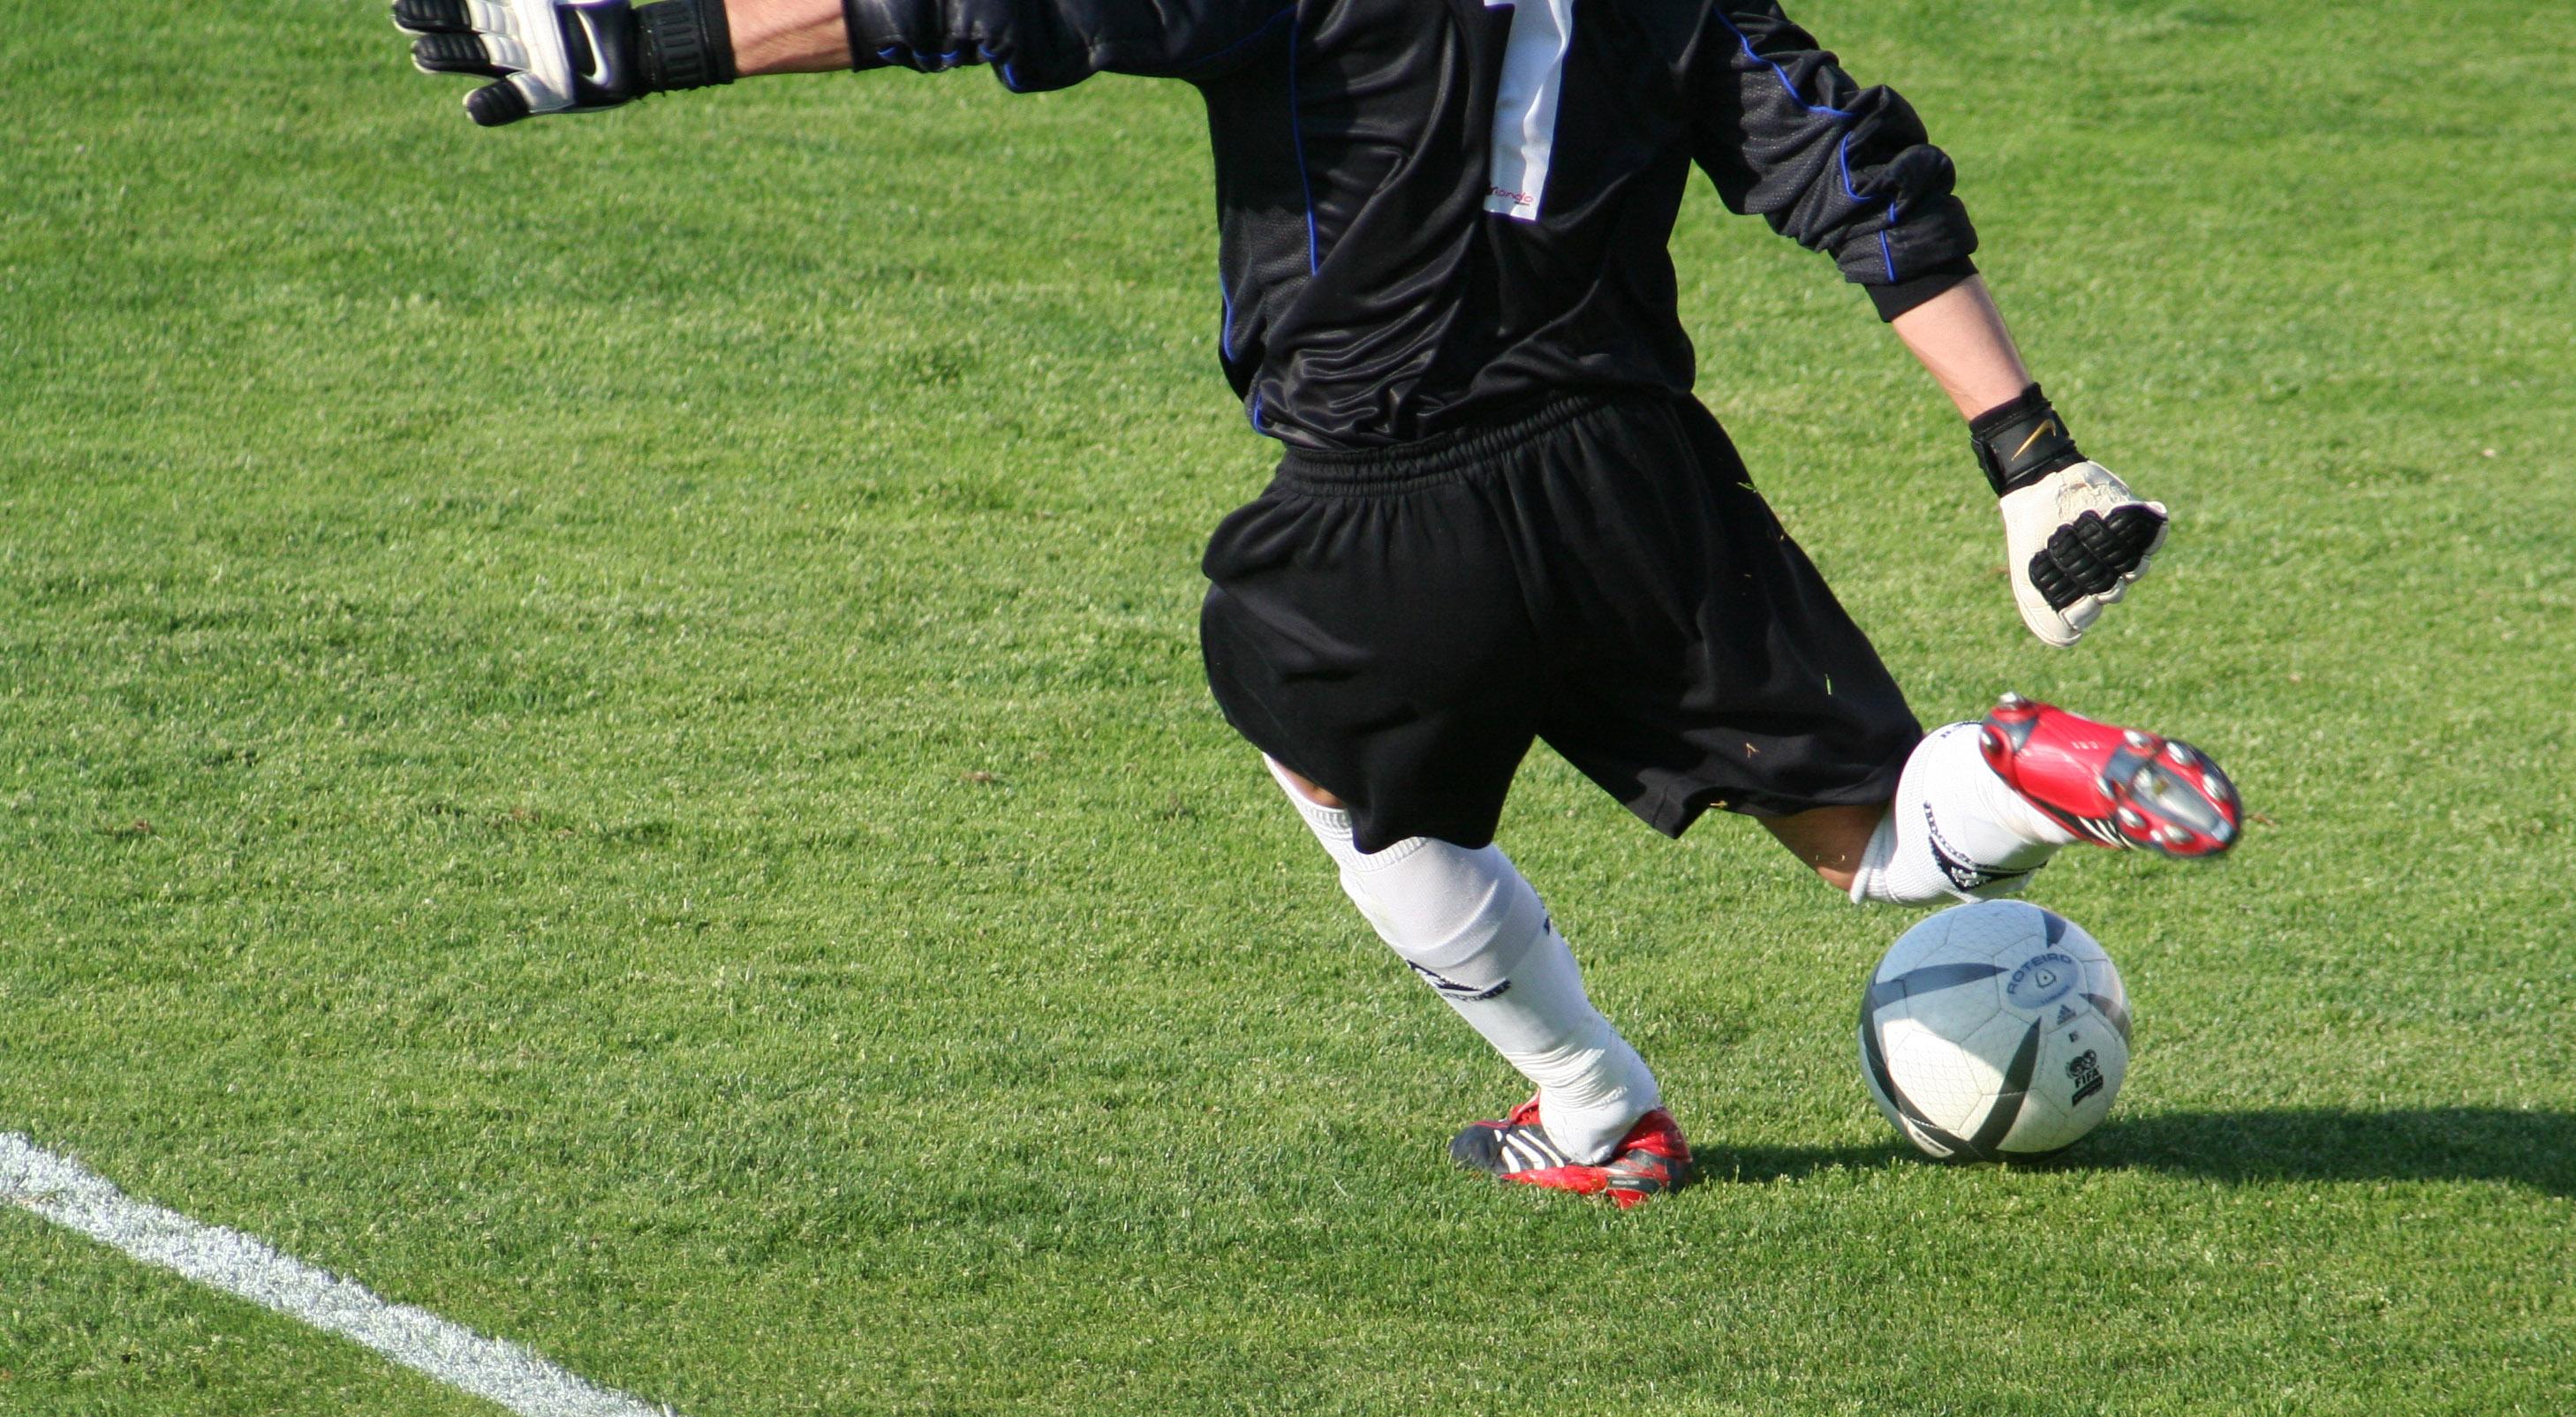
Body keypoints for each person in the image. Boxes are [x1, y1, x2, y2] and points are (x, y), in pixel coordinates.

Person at [394, 0, 2243, 1204]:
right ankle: (2017, 765)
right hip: (1637, 480)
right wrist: (2029, 457)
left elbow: (942, 4)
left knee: (1336, 779)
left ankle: (1600, 1113)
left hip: (1386, 500)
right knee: (1875, 843)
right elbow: (1860, 177)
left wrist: (636, 40)